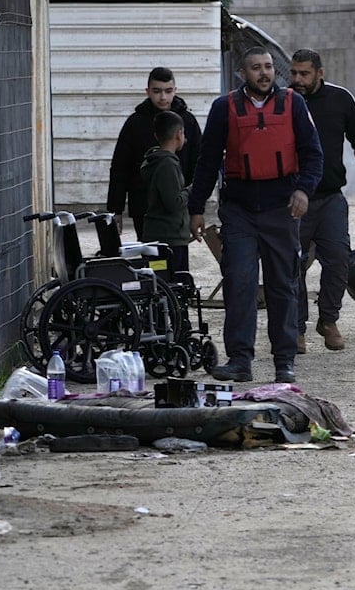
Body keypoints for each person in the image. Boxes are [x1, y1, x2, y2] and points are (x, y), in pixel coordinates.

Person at [188, 46, 323, 384]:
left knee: (283, 286)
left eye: (267, 67)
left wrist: (303, 190)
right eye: (255, 68)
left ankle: (284, 361)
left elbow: (312, 154)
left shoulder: (294, 104)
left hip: (281, 209)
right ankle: (240, 360)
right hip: (239, 210)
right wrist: (196, 208)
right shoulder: (224, 108)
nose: (264, 73)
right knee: (240, 283)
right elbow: (206, 162)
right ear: (242, 74)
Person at [289, 49, 355, 354]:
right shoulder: (285, 101)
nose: (298, 79)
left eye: (304, 73)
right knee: (293, 265)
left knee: (339, 259)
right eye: (294, 73)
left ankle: (328, 319)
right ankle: (296, 328)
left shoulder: (340, 99)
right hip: (293, 200)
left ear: (320, 72)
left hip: (330, 197)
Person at [106, 67, 202, 239]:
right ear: (147, 91)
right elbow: (120, 167)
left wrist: (197, 209)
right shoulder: (135, 123)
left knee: (177, 258)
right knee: (150, 259)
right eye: (157, 91)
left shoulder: (187, 122)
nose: (163, 97)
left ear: (175, 91)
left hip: (179, 207)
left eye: (168, 91)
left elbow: (198, 165)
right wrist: (115, 210)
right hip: (144, 208)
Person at [139, 111, 191, 273]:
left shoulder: (154, 161)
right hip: (170, 239)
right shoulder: (167, 164)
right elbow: (173, 203)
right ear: (179, 134)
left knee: (159, 279)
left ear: (156, 135)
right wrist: (190, 191)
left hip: (157, 236)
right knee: (174, 283)